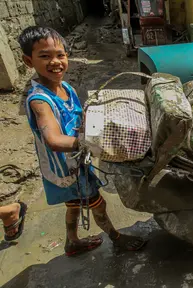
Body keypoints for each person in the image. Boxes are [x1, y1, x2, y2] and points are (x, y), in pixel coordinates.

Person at [18, 26, 146, 256]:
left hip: (75, 160)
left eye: (60, 55)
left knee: (74, 203)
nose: (55, 62)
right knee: (98, 203)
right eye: (45, 56)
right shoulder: (40, 102)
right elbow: (54, 140)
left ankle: (72, 241)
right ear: (29, 61)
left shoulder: (64, 87)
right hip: (65, 167)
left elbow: (78, 115)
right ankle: (116, 239)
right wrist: (94, 143)